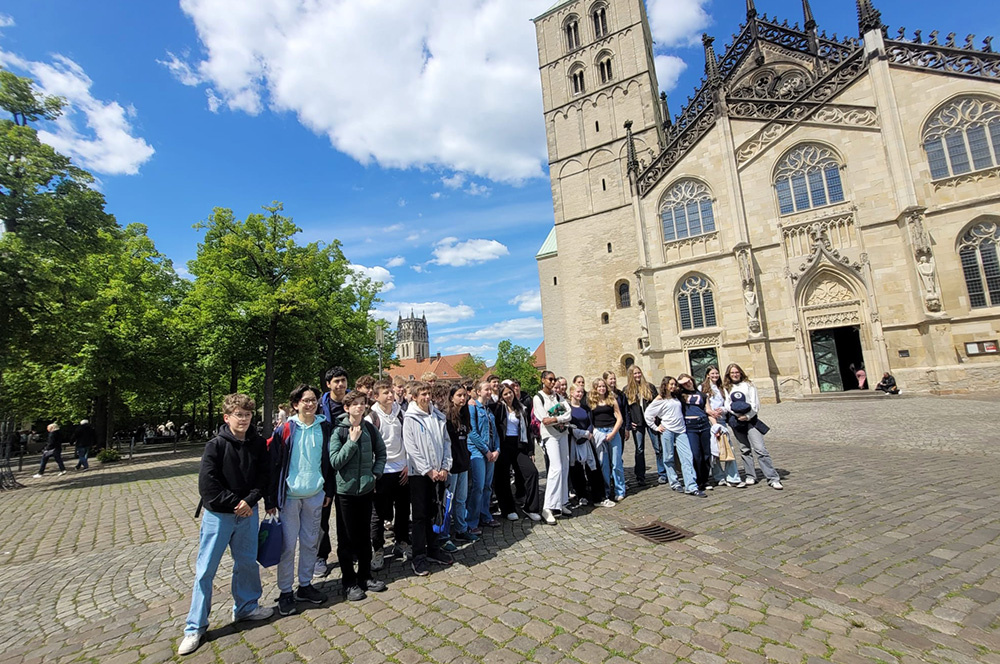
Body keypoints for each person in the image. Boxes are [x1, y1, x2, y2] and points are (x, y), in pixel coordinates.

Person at [179, 394, 272, 656]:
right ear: (227, 417)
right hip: (219, 515)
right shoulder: (216, 445)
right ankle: (195, 627)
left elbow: (264, 476)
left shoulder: (257, 444)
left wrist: (250, 501)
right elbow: (208, 484)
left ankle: (246, 607)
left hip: (248, 513)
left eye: (247, 414)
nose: (243, 419)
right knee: (205, 569)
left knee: (247, 563)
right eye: (238, 415)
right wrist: (235, 503)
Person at [266, 385, 332, 616]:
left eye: (313, 400)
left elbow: (328, 461)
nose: (310, 404)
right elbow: (274, 465)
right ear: (295, 405)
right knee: (287, 546)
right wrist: (270, 498)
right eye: (305, 400)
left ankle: (305, 585)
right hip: (290, 497)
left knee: (310, 542)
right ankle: (285, 591)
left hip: (315, 494)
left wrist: (328, 490)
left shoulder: (324, 427)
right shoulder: (285, 429)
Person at [329, 391, 388, 601]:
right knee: (346, 538)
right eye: (355, 404)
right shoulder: (339, 431)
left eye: (362, 403)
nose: (359, 407)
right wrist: (352, 442)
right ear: (346, 408)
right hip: (345, 492)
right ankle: (349, 582)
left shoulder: (370, 429)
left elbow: (381, 453)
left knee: (364, 536)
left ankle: (365, 576)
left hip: (365, 490)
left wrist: (375, 474)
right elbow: (335, 462)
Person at [402, 381, 453, 575]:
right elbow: (411, 448)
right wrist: (428, 470)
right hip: (419, 474)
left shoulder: (438, 415)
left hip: (439, 472)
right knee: (420, 516)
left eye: (428, 393)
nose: (426, 397)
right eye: (422, 394)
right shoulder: (410, 418)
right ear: (414, 397)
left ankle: (434, 549)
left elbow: (446, 442)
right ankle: (419, 556)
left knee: (435, 512)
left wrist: (445, 466)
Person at [367, 380, 410, 571]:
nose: (390, 395)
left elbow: (408, 439)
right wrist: (373, 472)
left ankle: (402, 542)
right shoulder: (371, 418)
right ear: (376, 396)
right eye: (385, 393)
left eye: (391, 392)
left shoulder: (401, 413)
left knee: (403, 510)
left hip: (401, 470)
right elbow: (368, 448)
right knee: (377, 514)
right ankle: (378, 549)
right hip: (381, 472)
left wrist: (408, 463)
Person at [723, 363, 783, 490]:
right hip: (737, 421)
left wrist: (748, 416)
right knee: (744, 449)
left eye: (736, 372)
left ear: (740, 373)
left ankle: (773, 478)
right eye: (732, 373)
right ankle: (750, 476)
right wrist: (737, 414)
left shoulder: (749, 385)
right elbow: (727, 404)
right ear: (729, 374)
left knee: (760, 449)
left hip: (751, 420)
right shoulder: (727, 387)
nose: (735, 374)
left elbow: (755, 403)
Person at [315, 366, 348, 577]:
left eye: (343, 380)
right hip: (324, 466)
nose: (340, 384)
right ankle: (321, 555)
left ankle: (349, 550)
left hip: (348, 466)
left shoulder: (355, 402)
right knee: (322, 515)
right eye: (336, 381)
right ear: (328, 384)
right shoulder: (319, 406)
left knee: (346, 514)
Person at [644, 377, 700, 496]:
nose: (673, 387)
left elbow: (686, 384)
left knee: (687, 456)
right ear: (665, 385)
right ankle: (674, 482)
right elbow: (648, 414)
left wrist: (682, 381)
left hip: (681, 430)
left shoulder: (676, 396)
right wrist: (655, 427)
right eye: (671, 384)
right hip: (667, 430)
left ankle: (691, 485)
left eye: (674, 384)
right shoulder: (660, 399)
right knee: (668, 457)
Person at [494, 383, 541, 521]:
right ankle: (508, 509)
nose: (509, 395)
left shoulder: (521, 408)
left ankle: (531, 507)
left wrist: (530, 450)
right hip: (503, 445)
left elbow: (528, 430)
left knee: (532, 472)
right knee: (503, 478)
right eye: (505, 394)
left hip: (519, 444)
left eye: (510, 392)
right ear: (501, 396)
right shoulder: (498, 408)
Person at [567, 385, 614, 508]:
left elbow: (590, 422)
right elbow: (569, 426)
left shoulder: (585, 408)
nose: (580, 394)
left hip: (587, 441)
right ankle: (581, 495)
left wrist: (587, 434)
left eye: (582, 392)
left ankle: (598, 497)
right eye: (577, 392)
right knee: (577, 470)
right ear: (571, 393)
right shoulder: (568, 408)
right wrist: (580, 434)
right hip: (575, 442)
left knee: (593, 469)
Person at [534, 371, 571, 524]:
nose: (553, 382)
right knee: (556, 468)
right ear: (543, 380)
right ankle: (548, 507)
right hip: (549, 435)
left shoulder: (558, 397)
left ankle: (562, 501)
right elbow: (544, 419)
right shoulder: (538, 397)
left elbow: (568, 414)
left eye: (554, 379)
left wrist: (556, 418)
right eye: (550, 379)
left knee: (564, 467)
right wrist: (559, 419)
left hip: (562, 433)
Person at [442, 385, 476, 551]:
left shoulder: (465, 414)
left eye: (464, 395)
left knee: (461, 499)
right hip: (451, 465)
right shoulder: (447, 417)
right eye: (459, 395)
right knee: (448, 502)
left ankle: (461, 529)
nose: (463, 398)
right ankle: (444, 535)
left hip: (463, 462)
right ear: (451, 397)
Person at [702, 367, 744, 488]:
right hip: (710, 422)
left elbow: (728, 404)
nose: (715, 375)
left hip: (722, 420)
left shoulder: (722, 388)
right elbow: (703, 405)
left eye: (717, 373)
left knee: (728, 448)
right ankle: (719, 477)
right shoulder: (703, 388)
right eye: (712, 373)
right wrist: (711, 413)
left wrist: (723, 409)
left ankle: (733, 477)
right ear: (708, 375)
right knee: (715, 451)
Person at [467, 381, 500, 532]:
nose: (489, 392)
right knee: (478, 486)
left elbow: (495, 431)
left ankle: (485, 515)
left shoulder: (488, 410)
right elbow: (472, 432)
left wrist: (497, 450)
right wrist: (486, 451)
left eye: (490, 389)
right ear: (478, 392)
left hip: (491, 451)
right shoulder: (473, 408)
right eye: (486, 389)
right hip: (478, 451)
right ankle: (472, 521)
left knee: (487, 486)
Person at [624, 366, 664, 485]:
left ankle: (662, 473)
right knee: (639, 449)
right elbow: (626, 409)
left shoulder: (649, 387)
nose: (637, 375)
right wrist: (629, 422)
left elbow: (658, 404)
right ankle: (640, 476)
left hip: (651, 421)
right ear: (631, 375)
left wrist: (658, 418)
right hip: (637, 423)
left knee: (658, 448)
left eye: (639, 373)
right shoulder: (627, 390)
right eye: (635, 373)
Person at [588, 378, 625, 501]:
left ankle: (620, 490)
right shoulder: (592, 402)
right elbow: (591, 420)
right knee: (603, 464)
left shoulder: (611, 399)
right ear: (595, 388)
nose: (601, 388)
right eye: (599, 386)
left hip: (612, 431)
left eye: (603, 386)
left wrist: (613, 433)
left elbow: (619, 418)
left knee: (616, 463)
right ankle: (606, 491)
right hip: (599, 433)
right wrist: (596, 432)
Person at [677, 374, 712, 494]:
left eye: (688, 381)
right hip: (690, 426)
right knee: (696, 454)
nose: (687, 384)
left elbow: (707, 409)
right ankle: (698, 480)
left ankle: (705, 479)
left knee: (706, 454)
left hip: (704, 424)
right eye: (684, 383)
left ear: (692, 380)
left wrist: (714, 415)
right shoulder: (680, 395)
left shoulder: (702, 394)